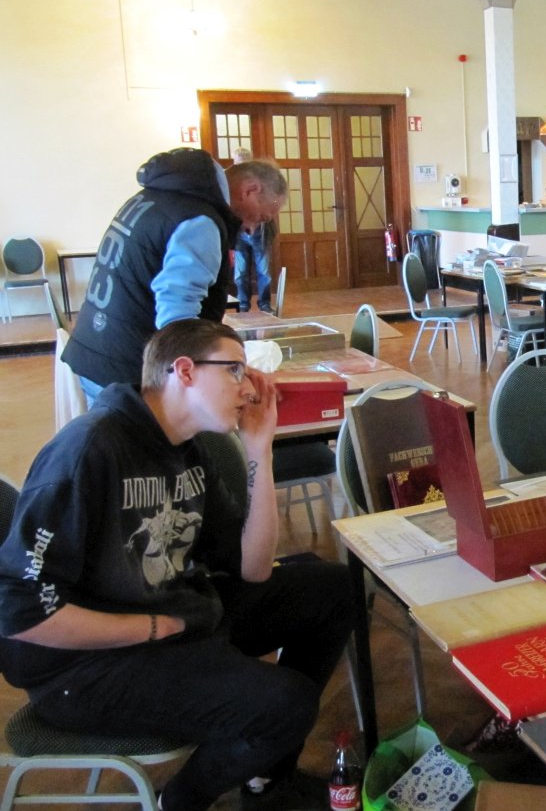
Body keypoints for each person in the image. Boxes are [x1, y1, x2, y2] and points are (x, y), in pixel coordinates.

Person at [0, 318, 353, 810]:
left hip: (172, 618)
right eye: (234, 370)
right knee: (286, 702)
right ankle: (181, 801)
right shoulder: (90, 449)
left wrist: (259, 450)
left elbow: (252, 569)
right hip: (83, 668)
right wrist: (153, 627)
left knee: (336, 588)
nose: (249, 387)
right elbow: (19, 613)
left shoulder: (190, 449)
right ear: (184, 371)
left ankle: (264, 773)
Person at [63, 148, 288, 403]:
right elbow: (177, 317)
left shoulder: (159, 194)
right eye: (262, 218)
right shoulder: (200, 220)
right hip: (128, 368)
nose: (252, 229)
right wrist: (223, 372)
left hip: (100, 348)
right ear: (251, 190)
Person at [231, 149, 279, 314]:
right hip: (239, 233)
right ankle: (243, 304)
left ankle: (264, 304)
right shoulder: (229, 180)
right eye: (239, 163)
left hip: (261, 231)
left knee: (264, 271)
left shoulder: (263, 179)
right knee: (240, 271)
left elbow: (273, 199)